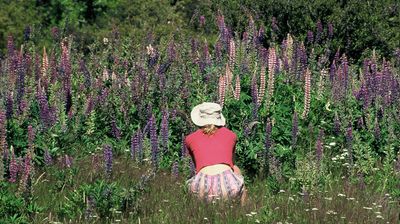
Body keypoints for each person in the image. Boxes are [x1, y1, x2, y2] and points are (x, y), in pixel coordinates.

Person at [184, 102, 247, 204]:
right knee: (238, 174)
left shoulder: (190, 139)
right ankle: (243, 211)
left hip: (202, 187)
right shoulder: (231, 135)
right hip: (228, 186)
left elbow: (197, 166)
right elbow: (231, 164)